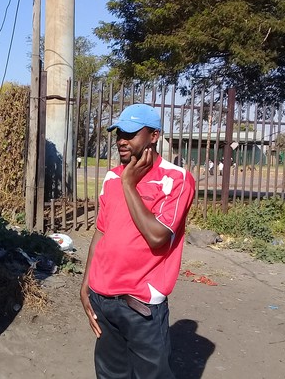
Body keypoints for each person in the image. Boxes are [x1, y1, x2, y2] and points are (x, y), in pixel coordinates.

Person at [79, 103, 196, 379]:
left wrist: (130, 185)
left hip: (141, 305)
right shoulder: (112, 177)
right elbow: (102, 232)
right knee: (110, 374)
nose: (122, 140)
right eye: (119, 133)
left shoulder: (175, 180)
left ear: (154, 136)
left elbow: (158, 237)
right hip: (104, 299)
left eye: (130, 134)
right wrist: (86, 284)